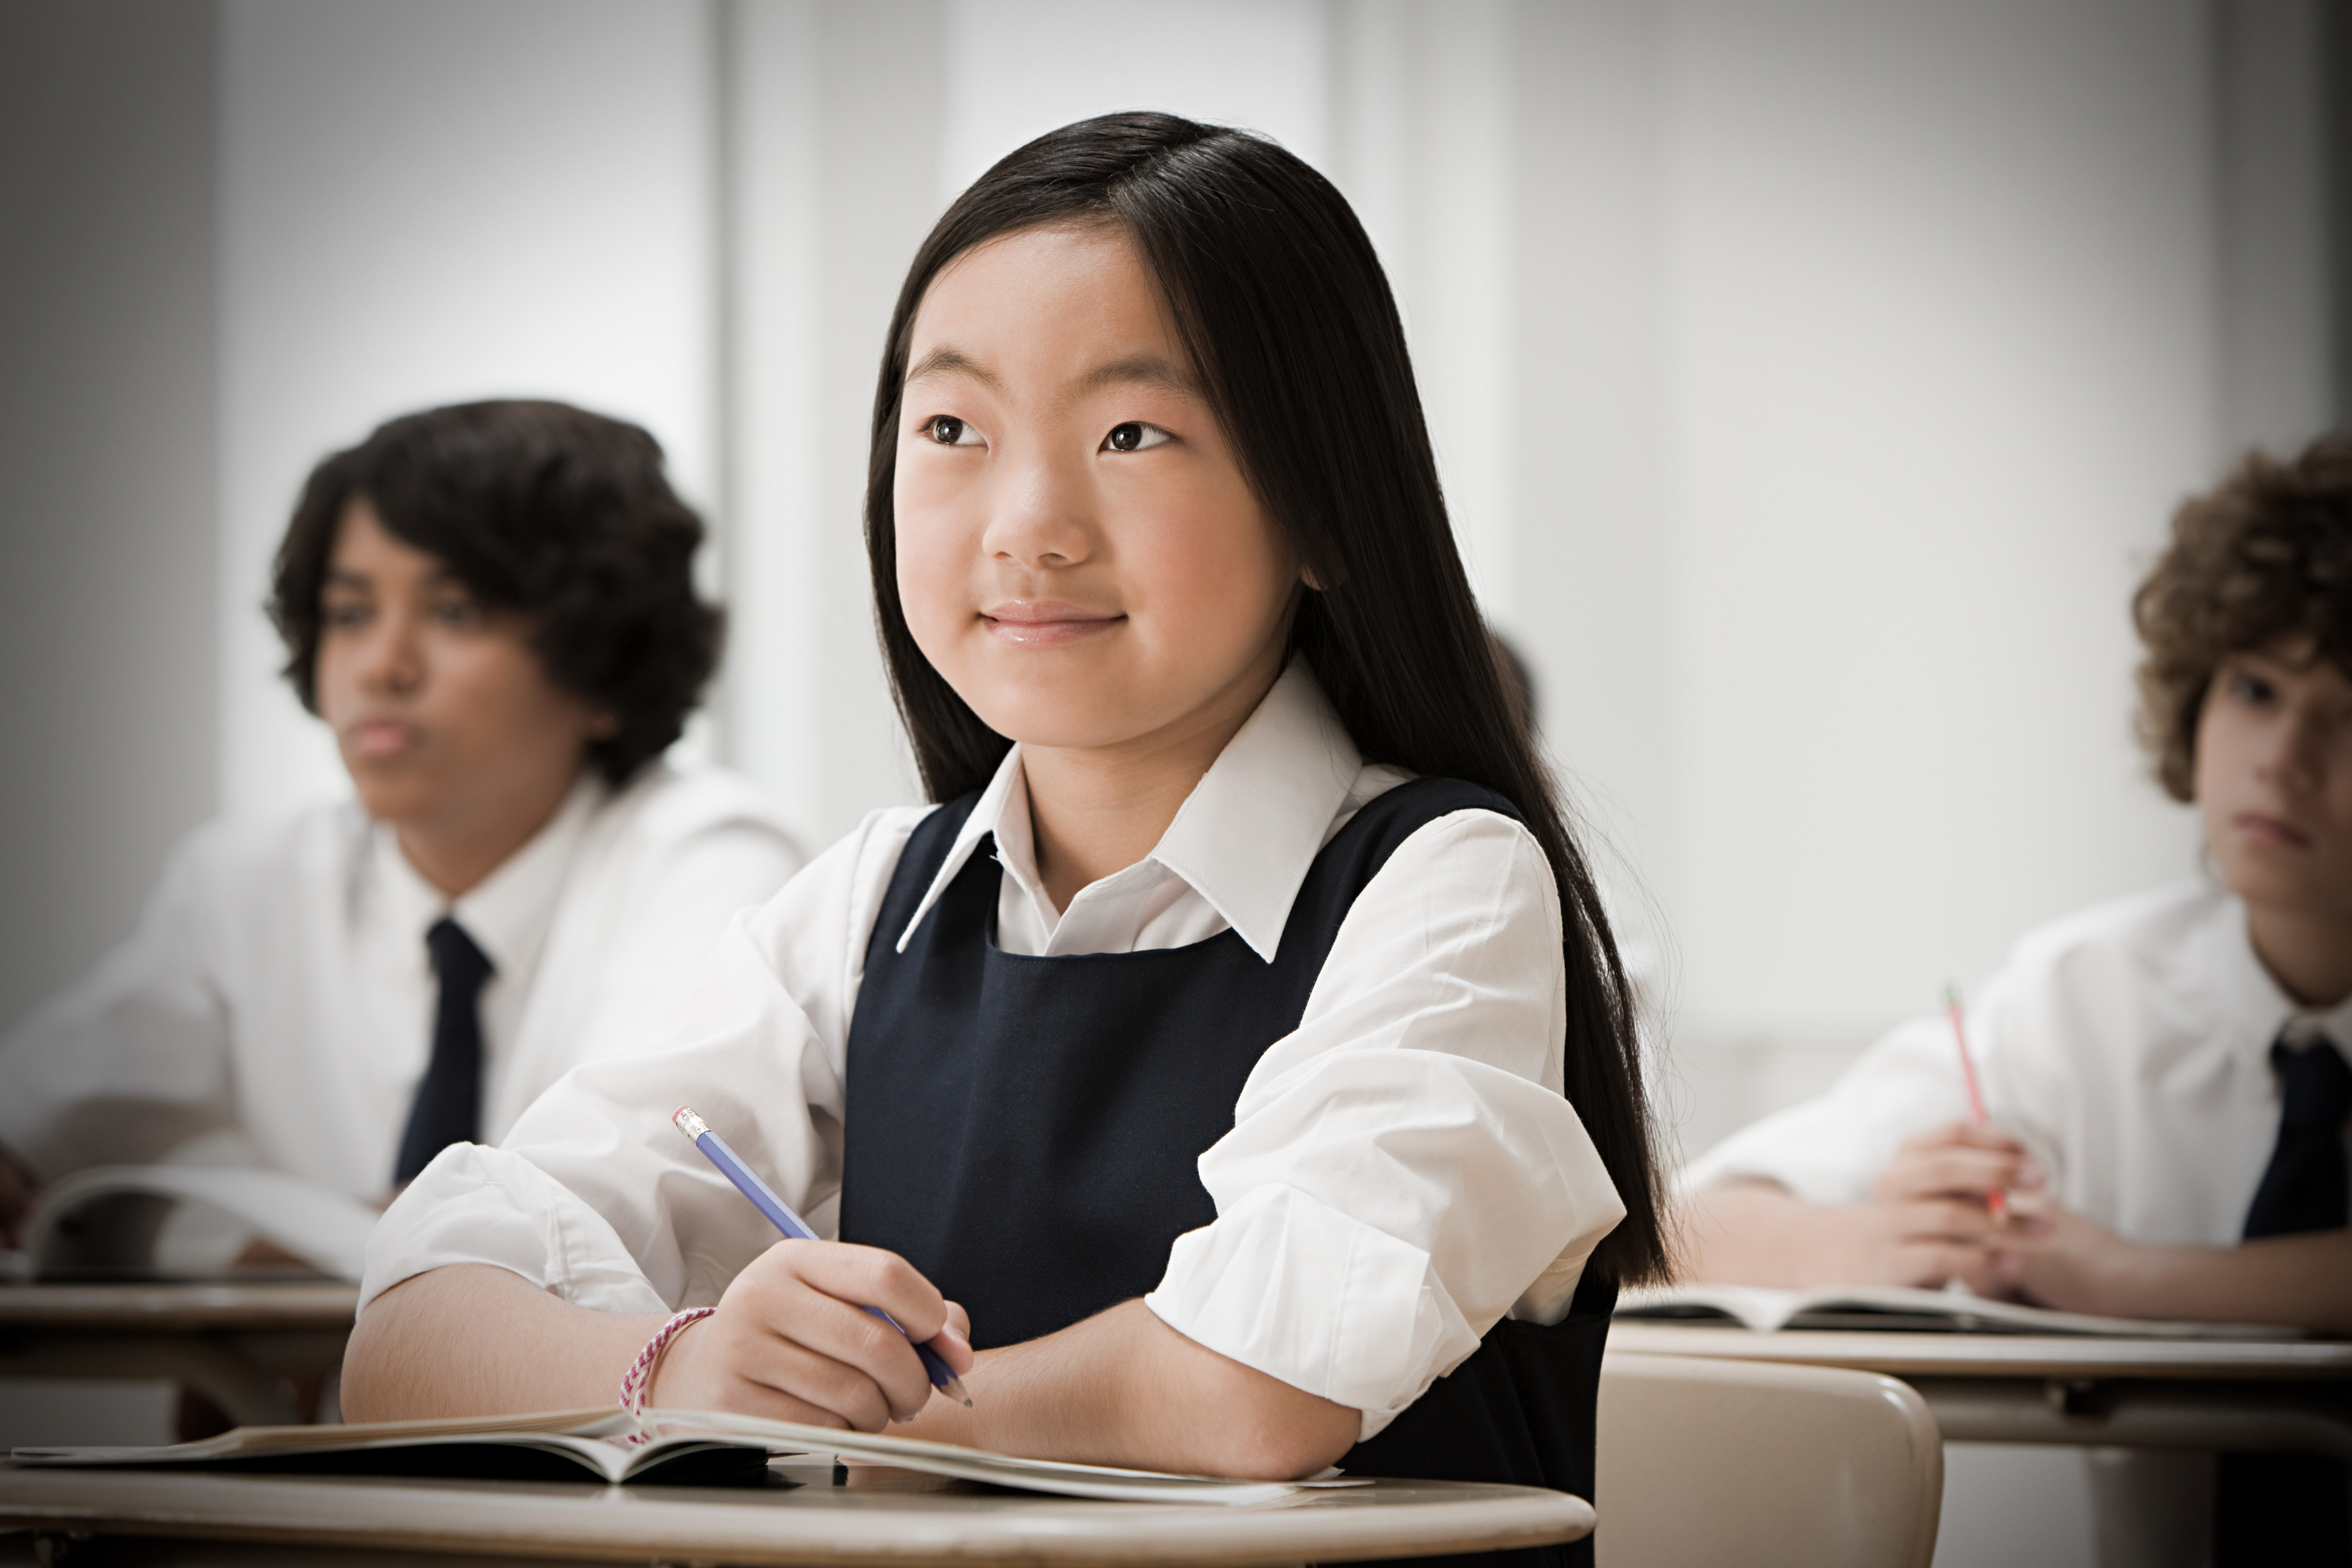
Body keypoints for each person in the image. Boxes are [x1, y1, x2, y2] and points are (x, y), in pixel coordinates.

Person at [342, 114, 1666, 1566]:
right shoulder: (867, 906)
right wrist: (687, 1375)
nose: (1027, 526)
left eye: (1133, 433)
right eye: (954, 430)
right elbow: (412, 1327)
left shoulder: (1442, 881)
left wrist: (824, 1429)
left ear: (1324, 508)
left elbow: (1254, 1392)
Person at [1679, 429, 2352, 1566]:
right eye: (2253, 688)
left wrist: (2124, 1280)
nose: (2282, 757)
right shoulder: (2083, 995)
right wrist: (1874, 1239)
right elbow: (1676, 1233)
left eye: (2347, 712)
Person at [0, 399, 805, 1248]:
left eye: (455, 612)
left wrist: (234, 1243)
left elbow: (583, 1219)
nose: (382, 665)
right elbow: (31, 1123)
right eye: (349, 614)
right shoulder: (249, 884)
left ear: (604, 659)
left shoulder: (712, 862)